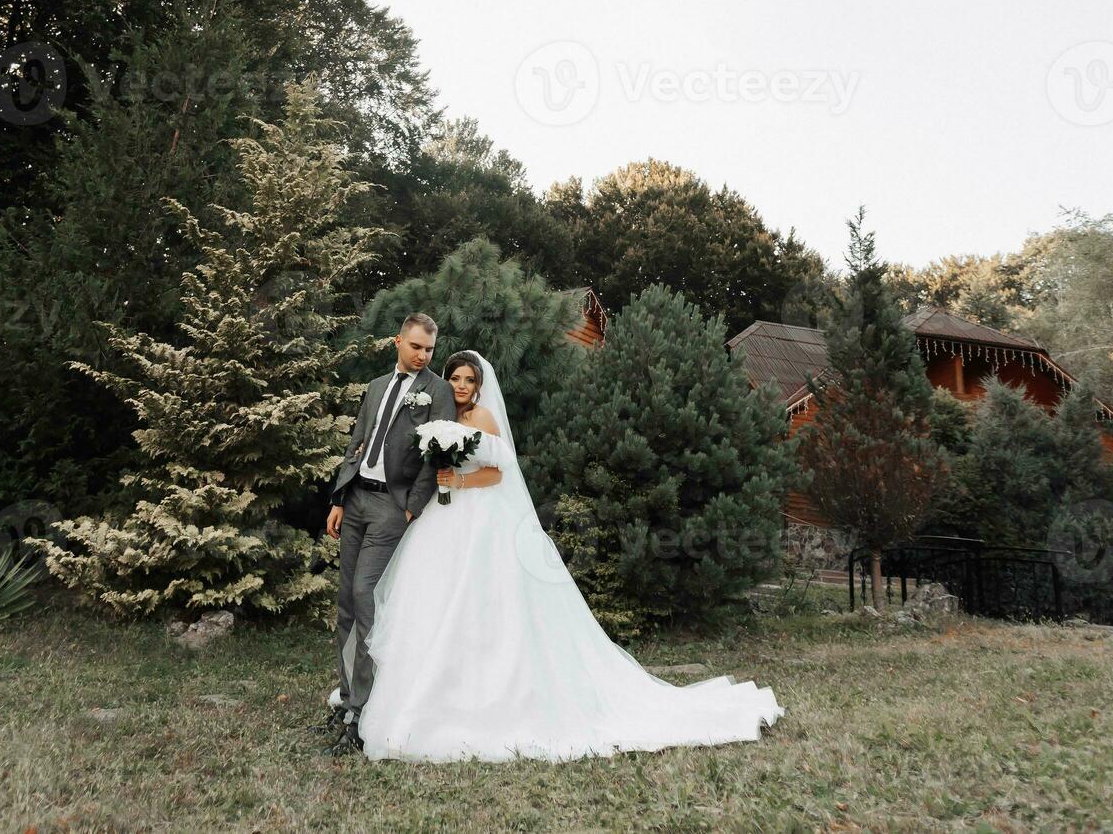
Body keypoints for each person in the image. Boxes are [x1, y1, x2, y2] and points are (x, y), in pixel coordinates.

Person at [328, 348, 784, 762]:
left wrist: (458, 482)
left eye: (468, 379)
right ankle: (410, 691)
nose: (461, 386)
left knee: (482, 602)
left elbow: (498, 473)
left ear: (479, 385)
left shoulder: (484, 420)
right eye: (455, 379)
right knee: (431, 600)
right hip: (440, 523)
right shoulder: (439, 420)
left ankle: (483, 696)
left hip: (480, 520)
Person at [309, 313, 457, 756]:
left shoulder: (438, 391)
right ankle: (346, 700)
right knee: (345, 605)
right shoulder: (375, 387)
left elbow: (439, 455)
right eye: (415, 347)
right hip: (355, 500)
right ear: (398, 342)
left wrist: (412, 505)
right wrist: (338, 499)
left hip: (392, 507)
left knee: (365, 595)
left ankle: (365, 712)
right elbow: (358, 441)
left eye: (429, 349)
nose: (422, 355)